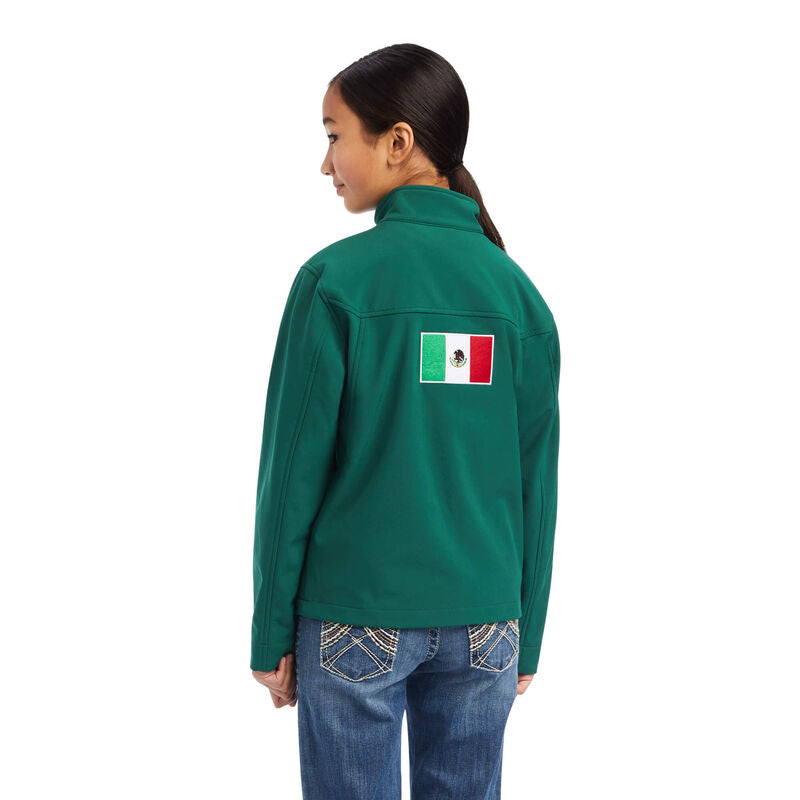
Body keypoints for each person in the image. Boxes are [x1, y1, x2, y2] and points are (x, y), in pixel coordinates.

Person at [250, 43, 561, 799]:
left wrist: (270, 631)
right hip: (487, 624)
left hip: (356, 612)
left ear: (397, 141)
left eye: (334, 136)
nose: (326, 164)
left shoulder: (334, 281)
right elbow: (536, 481)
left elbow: (291, 475)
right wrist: (527, 632)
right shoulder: (519, 295)